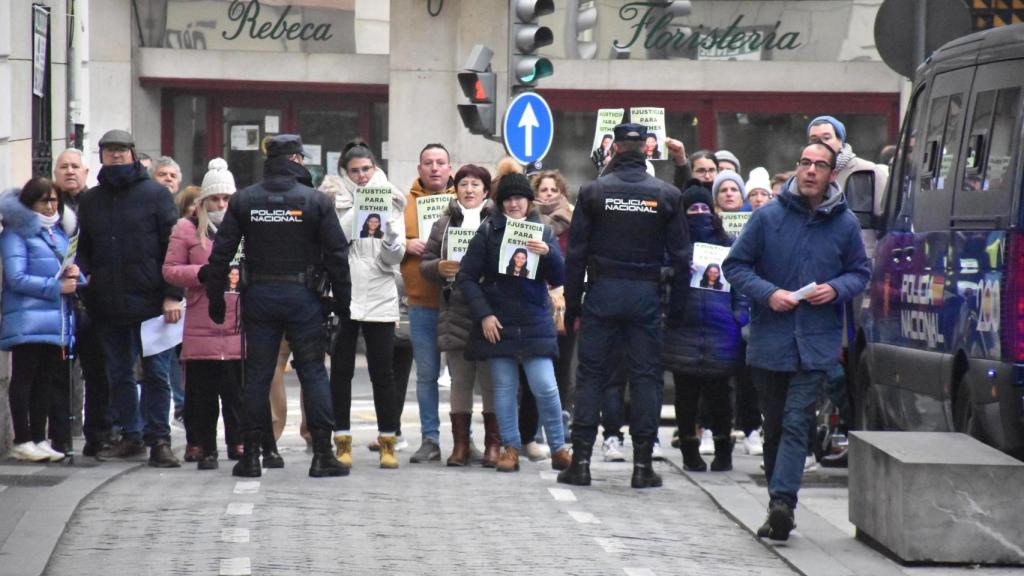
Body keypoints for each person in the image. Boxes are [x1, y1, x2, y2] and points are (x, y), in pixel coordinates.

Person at [723, 142, 870, 541]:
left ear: (830, 175)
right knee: (774, 427)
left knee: (795, 421)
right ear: (796, 168)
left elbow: (860, 272)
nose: (810, 171)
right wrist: (769, 293)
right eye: (805, 163)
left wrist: (836, 289)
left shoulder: (845, 224)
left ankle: (783, 503)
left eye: (819, 166)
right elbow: (734, 266)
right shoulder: (767, 216)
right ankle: (777, 501)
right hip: (771, 340)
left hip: (816, 343)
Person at [199, 134, 350, 479]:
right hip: (304, 297)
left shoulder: (245, 200)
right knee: (312, 372)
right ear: (297, 160)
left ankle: (252, 455)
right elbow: (337, 255)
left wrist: (215, 298)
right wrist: (343, 301)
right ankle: (322, 454)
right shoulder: (315, 201)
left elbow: (222, 252)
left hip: (260, 296)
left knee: (257, 375)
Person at [558, 123, 690, 489]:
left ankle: (581, 462)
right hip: (646, 295)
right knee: (646, 377)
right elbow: (682, 257)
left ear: (614, 149)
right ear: (647, 150)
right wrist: (676, 307)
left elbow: (577, 255)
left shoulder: (593, 192)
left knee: (592, 375)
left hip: (602, 293)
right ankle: (642, 466)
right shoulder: (665, 195)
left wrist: (572, 304)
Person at [77, 129, 183, 468]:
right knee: (119, 372)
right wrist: (81, 275)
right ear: (102, 156)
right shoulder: (91, 199)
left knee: (156, 373)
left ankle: (160, 440)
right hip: (108, 302)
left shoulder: (156, 194)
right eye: (110, 151)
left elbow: (172, 248)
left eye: (122, 150)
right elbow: (85, 250)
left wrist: (172, 295)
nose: (117, 155)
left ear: (133, 154)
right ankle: (131, 436)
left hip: (153, 301)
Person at [457, 173, 570, 473]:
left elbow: (561, 277)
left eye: (519, 198)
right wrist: (484, 315)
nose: (514, 203)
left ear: (529, 201)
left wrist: (549, 255)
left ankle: (559, 448)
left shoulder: (543, 232)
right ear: (500, 202)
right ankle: (510, 448)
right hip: (499, 322)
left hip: (534, 320)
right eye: (507, 198)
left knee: (545, 386)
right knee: (505, 390)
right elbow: (466, 276)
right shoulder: (488, 231)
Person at [319, 140, 405, 470]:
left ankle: (388, 441)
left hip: (380, 291)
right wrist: (360, 207)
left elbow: (395, 257)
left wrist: (392, 241)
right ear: (345, 173)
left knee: (382, 372)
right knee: (340, 372)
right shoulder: (333, 199)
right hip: (345, 293)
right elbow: (333, 241)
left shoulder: (393, 198)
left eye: (366, 169)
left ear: (375, 167)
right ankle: (342, 440)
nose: (361, 176)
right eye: (354, 171)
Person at [163, 158, 252, 471]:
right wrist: (202, 274)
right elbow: (170, 270)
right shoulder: (186, 229)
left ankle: (238, 441)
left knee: (235, 391)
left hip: (237, 317)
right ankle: (201, 444)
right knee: (201, 392)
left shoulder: (245, 228)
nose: (221, 204)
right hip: (202, 318)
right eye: (215, 198)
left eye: (227, 198)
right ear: (203, 200)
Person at [664, 184, 748, 473]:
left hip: (721, 331)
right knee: (685, 395)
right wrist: (675, 273)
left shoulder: (730, 245)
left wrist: (738, 317)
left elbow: (742, 285)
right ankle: (689, 450)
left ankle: (724, 450)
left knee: (720, 395)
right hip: (683, 330)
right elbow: (660, 280)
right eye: (692, 210)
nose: (699, 215)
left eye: (703, 209)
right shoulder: (674, 248)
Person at [421, 164, 499, 467]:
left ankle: (494, 445)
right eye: (464, 184)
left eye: (475, 185)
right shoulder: (443, 224)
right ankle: (461, 446)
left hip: (488, 310)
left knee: (491, 381)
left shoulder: (497, 222)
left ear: (486, 191)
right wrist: (438, 267)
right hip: (454, 308)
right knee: (460, 381)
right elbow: (425, 263)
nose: (469, 190)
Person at [0, 179, 79, 462]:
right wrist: (56, 287)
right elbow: (16, 277)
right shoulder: (15, 233)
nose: (49, 206)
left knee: (45, 380)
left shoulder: (58, 233)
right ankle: (22, 438)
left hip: (54, 321)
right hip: (27, 319)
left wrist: (75, 277)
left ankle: (38, 436)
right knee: (25, 379)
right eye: (43, 201)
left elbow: (65, 268)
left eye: (54, 200)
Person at [53, 148, 113, 457]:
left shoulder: (98, 203)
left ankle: (97, 434)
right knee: (59, 372)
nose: (70, 171)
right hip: (56, 303)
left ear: (86, 172)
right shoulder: (47, 204)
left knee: (98, 371)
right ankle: (60, 436)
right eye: (63, 166)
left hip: (93, 300)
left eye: (75, 166)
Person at [401, 143, 455, 463]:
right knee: (426, 375)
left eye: (440, 162)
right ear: (419, 168)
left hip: (459, 303)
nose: (434, 168)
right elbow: (384, 240)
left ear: (450, 168)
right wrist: (408, 244)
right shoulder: (404, 204)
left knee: (463, 378)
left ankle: (464, 440)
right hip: (422, 301)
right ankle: (430, 439)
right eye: (428, 163)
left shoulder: (464, 200)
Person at [531, 170, 575, 442]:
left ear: (562, 193)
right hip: (536, 300)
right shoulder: (526, 222)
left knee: (562, 364)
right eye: (543, 189)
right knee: (537, 366)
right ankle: (534, 425)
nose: (548, 194)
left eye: (553, 189)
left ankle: (561, 422)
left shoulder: (573, 220)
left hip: (564, 301)